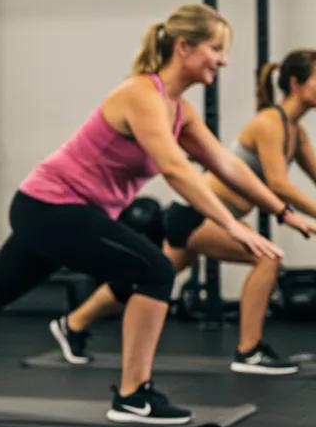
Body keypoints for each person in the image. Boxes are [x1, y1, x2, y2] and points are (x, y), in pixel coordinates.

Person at [0, 4, 313, 426]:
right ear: (184, 46)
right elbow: (176, 169)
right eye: (217, 48)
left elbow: (227, 164)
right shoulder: (141, 94)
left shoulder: (180, 110)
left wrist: (282, 211)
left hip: (56, 210)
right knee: (155, 270)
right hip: (52, 206)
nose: (223, 59)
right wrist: (232, 224)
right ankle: (132, 395)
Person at [53, 48, 316, 376]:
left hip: (203, 217)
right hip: (194, 215)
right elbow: (278, 184)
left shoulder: (297, 133)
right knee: (267, 257)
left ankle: (72, 323)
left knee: (146, 276)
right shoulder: (269, 124)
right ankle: (249, 351)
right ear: (296, 83)